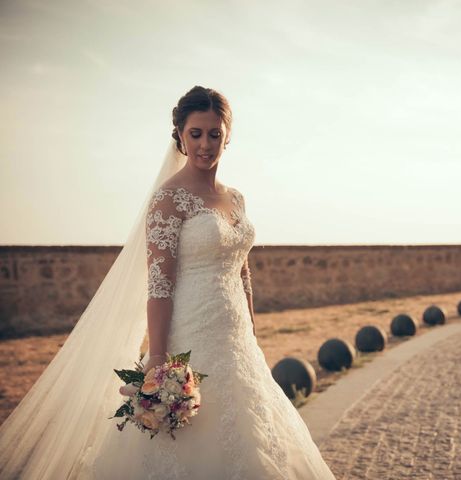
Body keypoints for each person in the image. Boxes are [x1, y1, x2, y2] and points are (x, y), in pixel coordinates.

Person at [0, 86, 336, 479]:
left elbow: (242, 270)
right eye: (196, 133)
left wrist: (252, 329)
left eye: (215, 133)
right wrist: (159, 360)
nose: (206, 144)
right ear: (180, 134)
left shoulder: (237, 199)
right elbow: (159, 285)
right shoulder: (168, 200)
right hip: (189, 336)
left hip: (238, 340)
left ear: (229, 135)